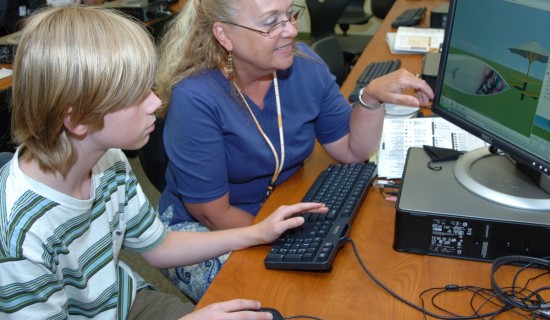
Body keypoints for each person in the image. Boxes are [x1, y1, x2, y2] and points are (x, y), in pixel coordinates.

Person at [0, 5, 329, 320]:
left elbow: (159, 246)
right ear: (78, 120)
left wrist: (257, 232)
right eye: (136, 94)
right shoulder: (21, 237)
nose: (156, 102)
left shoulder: (107, 160)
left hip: (122, 301)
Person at [154, 0, 434, 301]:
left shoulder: (304, 65)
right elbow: (212, 214)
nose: (290, 30)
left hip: (279, 203)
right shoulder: (196, 97)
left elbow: (352, 151)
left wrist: (371, 98)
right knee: (285, 299)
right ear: (224, 35)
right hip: (203, 229)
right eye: (270, 22)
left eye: (289, 15)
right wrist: (288, 240)